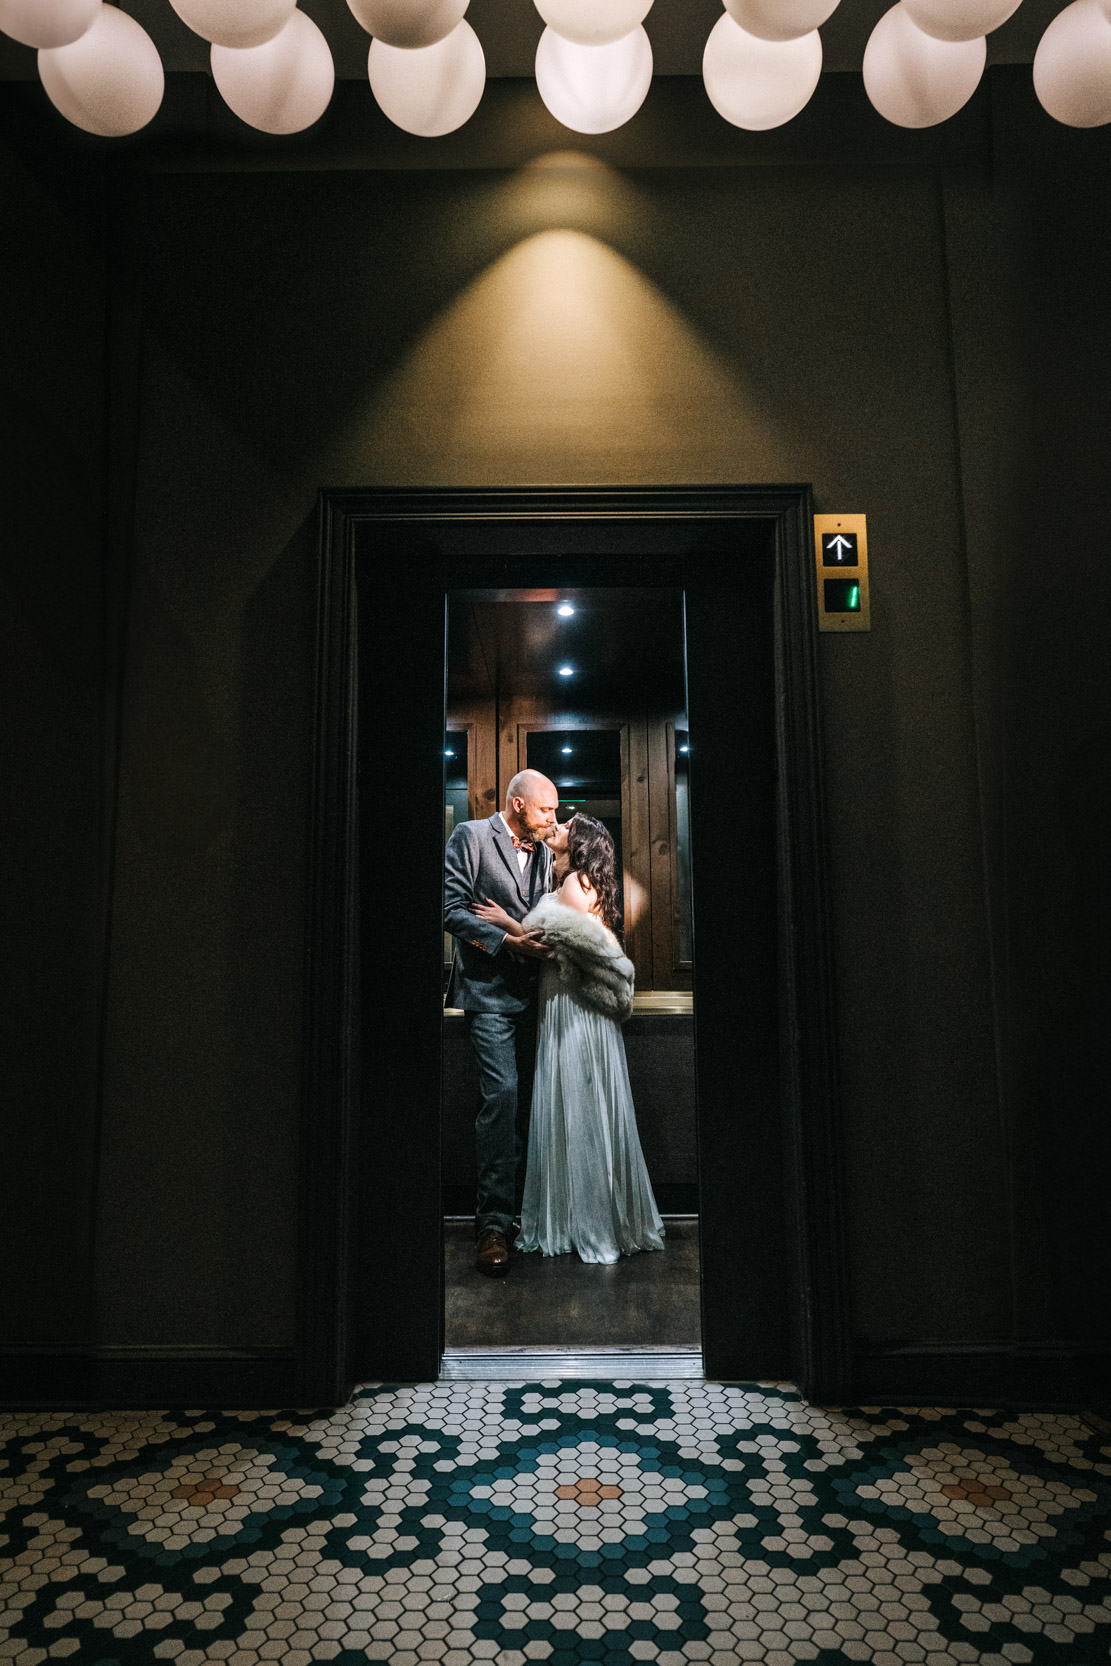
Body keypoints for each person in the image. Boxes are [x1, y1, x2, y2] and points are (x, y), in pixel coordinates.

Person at [472, 814, 664, 1265]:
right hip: (566, 1002)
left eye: (567, 825)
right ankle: (582, 1213)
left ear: (579, 843)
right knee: (577, 1104)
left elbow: (554, 940)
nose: (557, 826)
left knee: (579, 1103)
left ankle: (587, 1221)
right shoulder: (568, 879)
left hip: (576, 1010)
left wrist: (506, 923)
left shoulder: (576, 881)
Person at [443, 769, 557, 1277]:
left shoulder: (549, 853)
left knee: (536, 1103)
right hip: (487, 994)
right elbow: (450, 909)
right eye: (546, 810)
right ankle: (492, 1224)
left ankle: (531, 1216)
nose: (553, 819)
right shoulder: (470, 836)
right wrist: (508, 942)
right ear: (516, 805)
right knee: (503, 1096)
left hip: (541, 995)